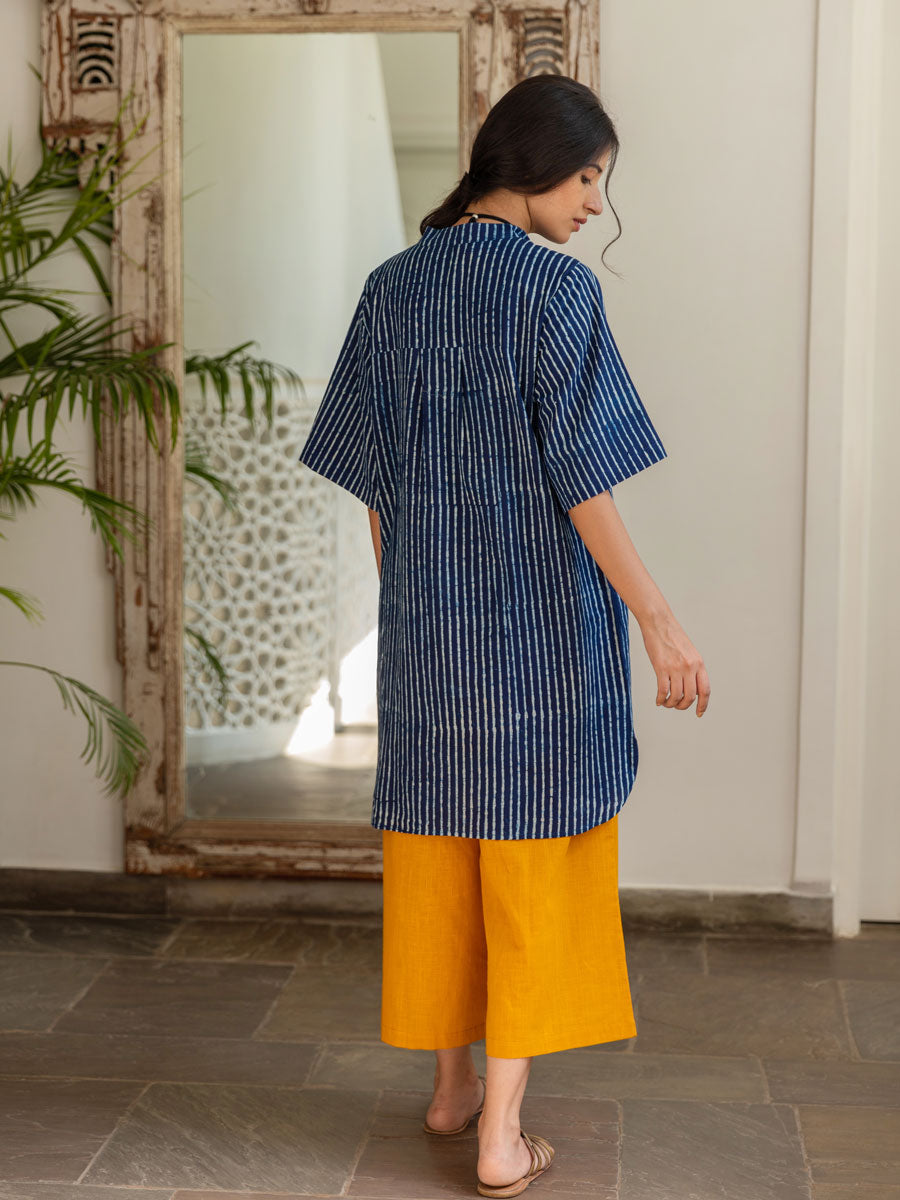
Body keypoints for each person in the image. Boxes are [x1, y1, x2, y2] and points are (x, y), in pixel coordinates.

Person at [298, 74, 710, 1199]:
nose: (594, 204)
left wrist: (416, 603)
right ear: (530, 165)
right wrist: (660, 621)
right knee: (529, 869)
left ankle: (450, 1091)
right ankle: (501, 1138)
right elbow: (586, 483)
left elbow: (374, 486)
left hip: (427, 641)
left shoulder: (392, 286)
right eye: (586, 178)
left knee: (438, 857)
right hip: (541, 644)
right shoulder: (555, 291)